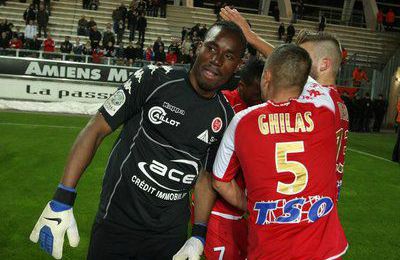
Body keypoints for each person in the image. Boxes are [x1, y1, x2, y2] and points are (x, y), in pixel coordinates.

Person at [30, 20, 246, 260]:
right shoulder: (153, 80)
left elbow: (205, 177)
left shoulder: (226, 116)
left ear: (237, 65)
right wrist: (63, 197)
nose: (216, 60)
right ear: (198, 47)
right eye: (212, 48)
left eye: (228, 56)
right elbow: (96, 129)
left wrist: (198, 233)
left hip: (170, 237)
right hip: (117, 225)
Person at [211, 43, 348, 260]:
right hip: (324, 252)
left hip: (269, 251)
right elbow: (300, 71)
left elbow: (220, 181)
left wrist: (252, 206)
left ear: (266, 77)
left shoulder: (242, 122)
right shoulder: (325, 108)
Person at [203, 58, 264, 260]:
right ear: (241, 86)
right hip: (218, 207)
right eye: (257, 94)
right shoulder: (223, 104)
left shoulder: (264, 112)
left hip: (244, 208)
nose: (261, 99)